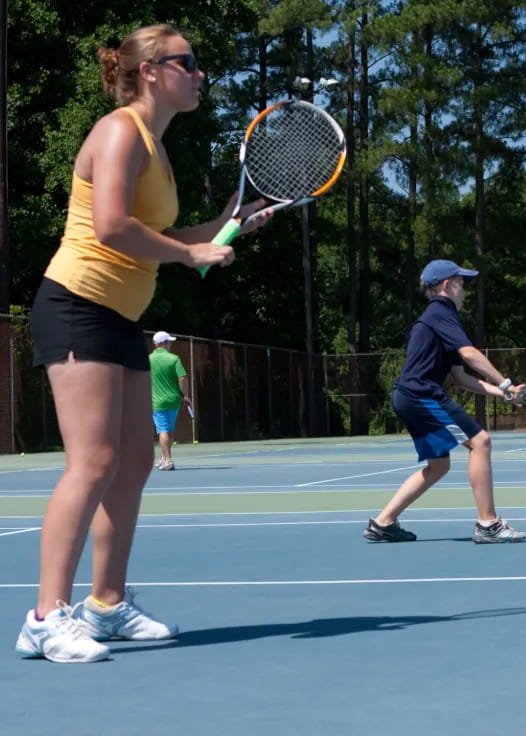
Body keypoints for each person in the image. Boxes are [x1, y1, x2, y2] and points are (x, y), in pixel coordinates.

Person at [17, 24, 269, 664]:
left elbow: (169, 233)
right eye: (189, 62)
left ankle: (106, 604)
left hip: (118, 316)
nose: (200, 73)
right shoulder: (119, 131)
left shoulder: (155, 146)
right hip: (75, 305)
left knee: (131, 466)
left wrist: (228, 225)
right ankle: (45, 617)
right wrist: (190, 252)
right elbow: (110, 227)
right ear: (152, 70)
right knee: (94, 462)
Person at [363, 259, 526, 544]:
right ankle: (488, 524)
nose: (464, 291)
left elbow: (461, 377)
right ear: (446, 285)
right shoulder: (441, 311)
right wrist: (505, 382)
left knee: (439, 466)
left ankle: (383, 522)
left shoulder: (437, 318)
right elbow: (470, 354)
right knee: (481, 442)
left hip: (408, 396)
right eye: (461, 284)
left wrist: (502, 393)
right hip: (421, 395)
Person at [150, 330, 192, 471]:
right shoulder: (174, 359)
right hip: (174, 400)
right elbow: (183, 378)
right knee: (169, 429)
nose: (170, 345)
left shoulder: (148, 359)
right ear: (164, 343)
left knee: (163, 430)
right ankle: (164, 457)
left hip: (157, 402)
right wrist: (185, 395)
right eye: (169, 342)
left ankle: (167, 459)